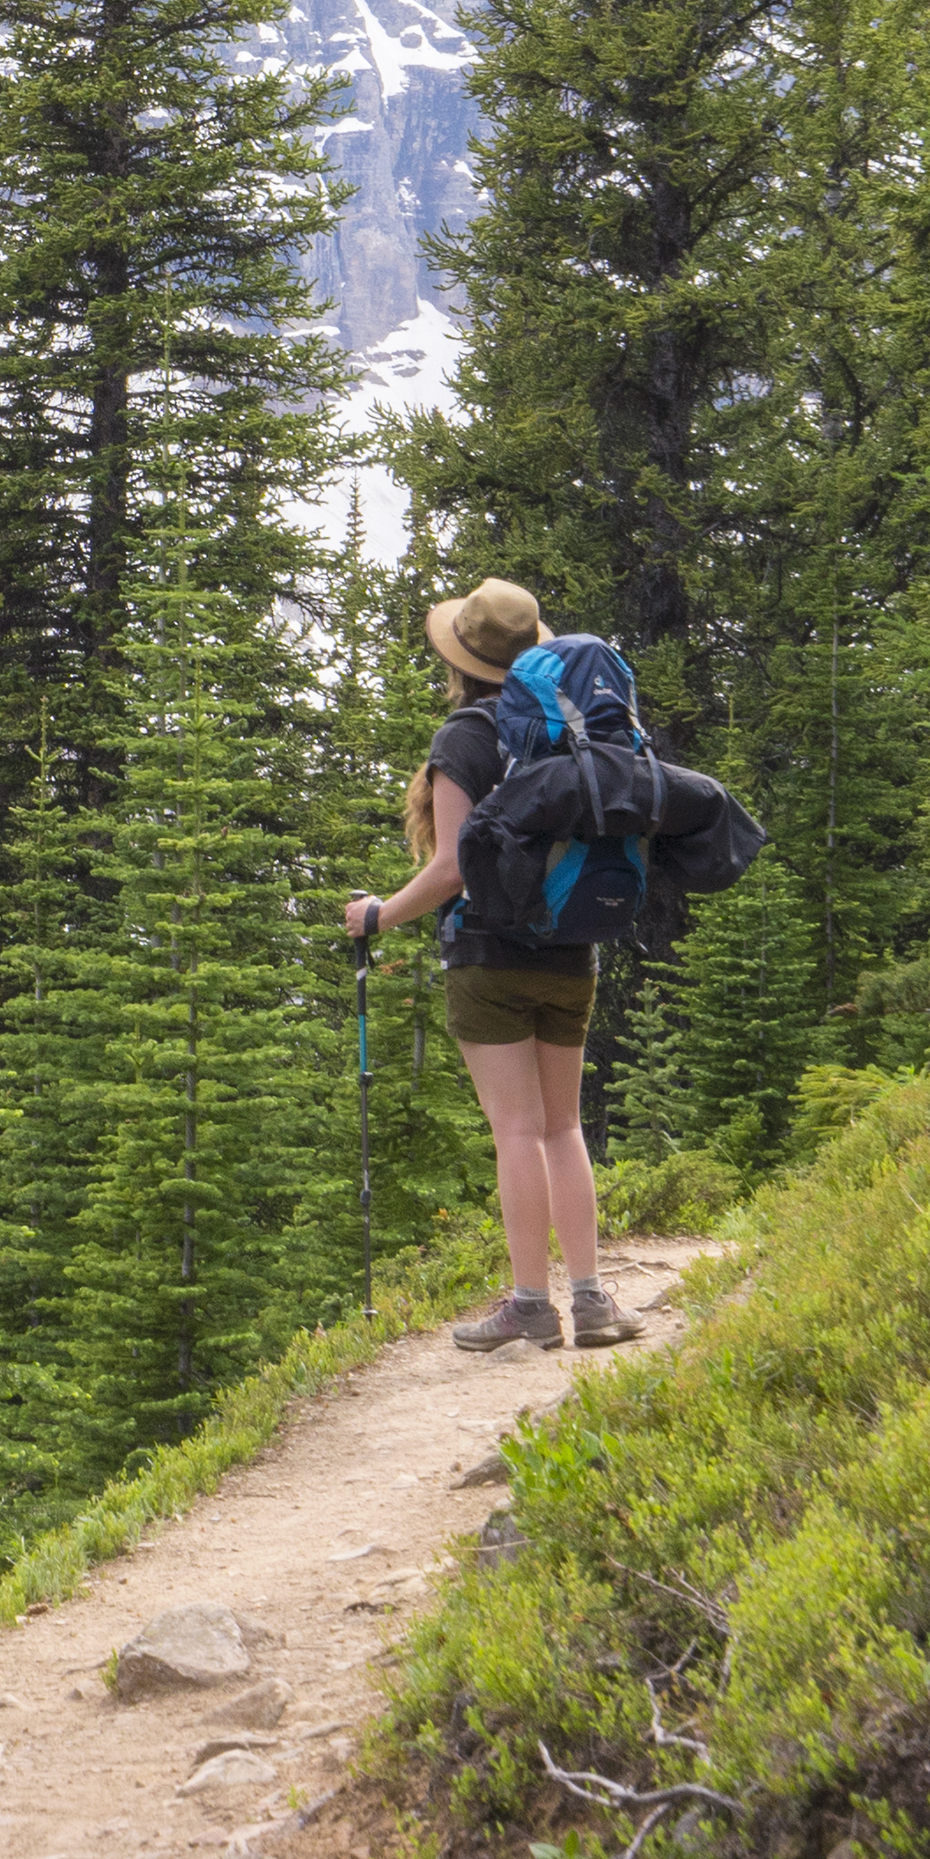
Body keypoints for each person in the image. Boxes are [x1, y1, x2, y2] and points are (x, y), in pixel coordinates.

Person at [343, 576, 637, 1355]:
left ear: (460, 662)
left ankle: (531, 1305)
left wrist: (378, 913)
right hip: (571, 946)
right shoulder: (564, 729)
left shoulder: (464, 740)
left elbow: (451, 869)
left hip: (489, 957)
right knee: (564, 1125)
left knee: (515, 1129)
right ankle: (592, 1298)